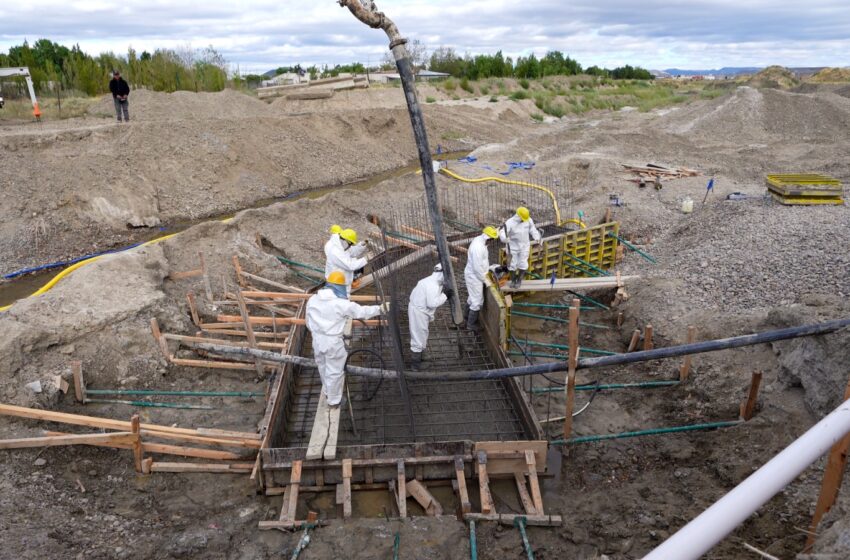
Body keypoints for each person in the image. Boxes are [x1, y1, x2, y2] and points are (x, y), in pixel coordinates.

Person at [306, 271, 389, 407]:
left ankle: (327, 391)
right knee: (335, 372)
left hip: (316, 339)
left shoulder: (312, 299)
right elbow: (362, 312)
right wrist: (380, 309)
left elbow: (308, 323)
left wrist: (318, 333)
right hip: (332, 342)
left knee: (322, 366)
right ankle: (334, 401)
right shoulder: (341, 304)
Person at [408, 263, 452, 370]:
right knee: (418, 337)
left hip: (419, 311)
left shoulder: (429, 280)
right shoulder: (433, 285)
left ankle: (422, 354)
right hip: (419, 313)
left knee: (423, 333)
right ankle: (416, 365)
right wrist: (445, 295)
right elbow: (432, 303)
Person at [464, 226, 499, 330]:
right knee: (477, 302)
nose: (492, 242)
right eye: (492, 240)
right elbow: (477, 268)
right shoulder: (477, 248)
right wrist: (486, 280)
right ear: (488, 238)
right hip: (474, 276)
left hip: (476, 274)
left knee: (472, 298)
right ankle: (471, 325)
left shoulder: (481, 241)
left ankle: (466, 318)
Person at [499, 206, 542, 289]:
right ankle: (513, 280)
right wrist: (504, 238)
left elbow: (533, 230)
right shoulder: (510, 222)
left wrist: (537, 238)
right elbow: (502, 232)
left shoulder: (528, 220)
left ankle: (519, 280)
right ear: (518, 216)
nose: (523, 221)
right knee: (512, 265)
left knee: (523, 263)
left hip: (524, 246)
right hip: (512, 247)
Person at [324, 227, 368, 294]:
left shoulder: (341, 245)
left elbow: (352, 252)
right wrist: (366, 259)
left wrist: (361, 245)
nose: (350, 246)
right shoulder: (335, 252)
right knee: (339, 302)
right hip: (336, 283)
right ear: (345, 240)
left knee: (343, 301)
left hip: (343, 282)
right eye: (350, 244)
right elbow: (350, 266)